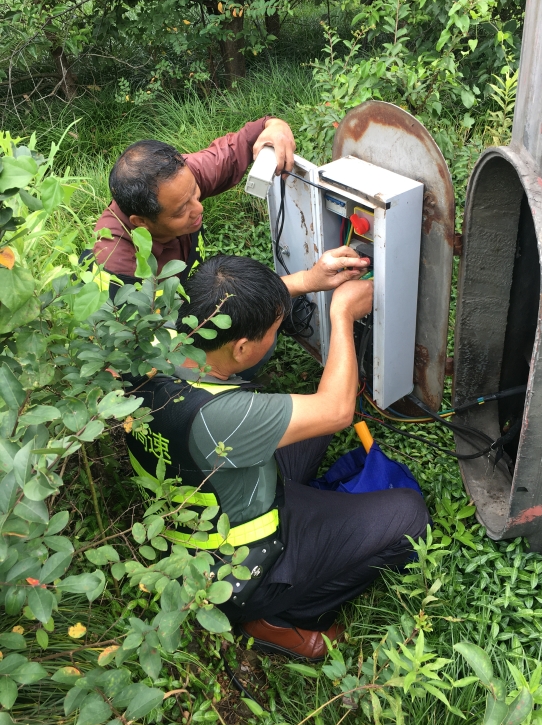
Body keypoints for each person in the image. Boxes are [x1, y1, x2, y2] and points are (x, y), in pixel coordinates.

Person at [125, 255, 429, 661]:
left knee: (312, 427)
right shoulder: (219, 417)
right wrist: (342, 315)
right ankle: (280, 616)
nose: (274, 336)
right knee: (408, 515)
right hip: (238, 566)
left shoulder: (151, 343)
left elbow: (231, 308)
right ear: (242, 348)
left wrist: (309, 279)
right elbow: (337, 410)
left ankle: (306, 524)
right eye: (273, 331)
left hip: (211, 493)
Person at [91, 117, 369, 295]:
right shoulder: (119, 268)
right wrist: (305, 282)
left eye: (195, 193)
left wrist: (274, 126)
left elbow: (244, 142)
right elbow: (190, 323)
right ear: (141, 222)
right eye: (181, 211)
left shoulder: (177, 182)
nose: (198, 209)